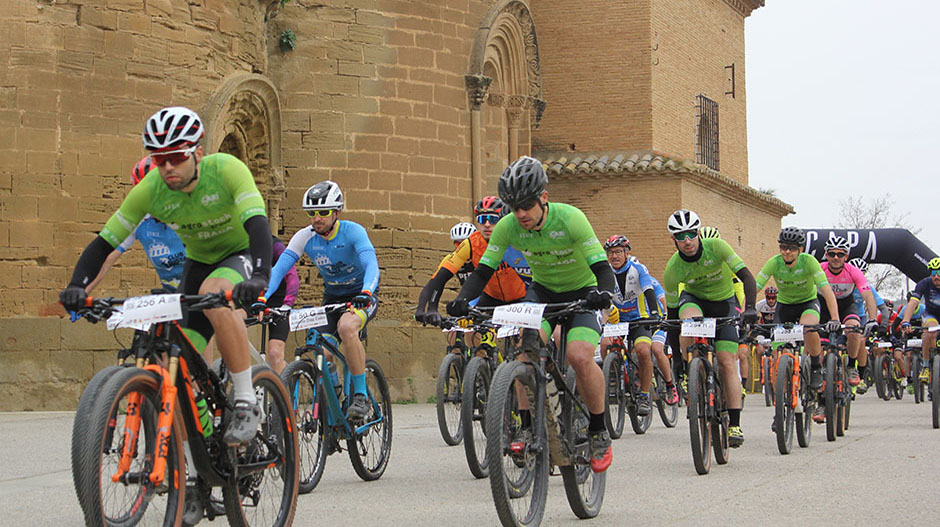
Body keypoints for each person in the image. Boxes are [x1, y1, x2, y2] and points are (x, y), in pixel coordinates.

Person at [59, 106, 272, 445]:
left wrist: (260, 276)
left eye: (175, 156)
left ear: (197, 153)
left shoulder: (227, 170)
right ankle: (192, 469)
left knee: (215, 293)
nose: (168, 167)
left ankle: (246, 401)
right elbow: (104, 245)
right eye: (160, 160)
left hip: (240, 252)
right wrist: (76, 287)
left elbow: (258, 223)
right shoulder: (150, 190)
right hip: (198, 261)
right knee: (173, 363)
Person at [446, 155, 616, 473]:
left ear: (544, 198)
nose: (521, 213)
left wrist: (603, 294)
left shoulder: (571, 219)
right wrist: (462, 300)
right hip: (542, 293)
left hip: (583, 293)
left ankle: (597, 429)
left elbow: (603, 268)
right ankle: (525, 426)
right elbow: (483, 273)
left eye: (527, 205)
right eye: (514, 207)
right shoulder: (508, 226)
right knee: (524, 354)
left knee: (579, 356)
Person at [264, 180, 379, 420]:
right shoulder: (305, 237)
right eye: (312, 213)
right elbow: (280, 268)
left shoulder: (352, 231)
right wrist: (262, 297)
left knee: (347, 327)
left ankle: (360, 396)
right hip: (332, 298)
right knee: (321, 353)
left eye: (323, 212)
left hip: (360, 294)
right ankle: (335, 390)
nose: (317, 218)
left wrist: (366, 292)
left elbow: (370, 263)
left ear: (336, 212)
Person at [662, 210, 759, 447]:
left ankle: (734, 423)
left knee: (727, 362)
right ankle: (692, 369)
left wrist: (751, 308)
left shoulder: (717, 247)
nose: (687, 240)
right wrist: (677, 361)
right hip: (694, 301)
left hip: (724, 304)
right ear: (673, 239)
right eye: (681, 235)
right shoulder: (672, 269)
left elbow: (747, 277)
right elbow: (673, 317)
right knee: (687, 323)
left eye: (691, 234)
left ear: (698, 233)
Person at [753, 226, 840, 424]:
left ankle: (816, 366)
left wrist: (834, 318)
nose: (787, 252)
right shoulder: (774, 263)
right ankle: (780, 409)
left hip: (808, 304)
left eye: (792, 248)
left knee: (808, 328)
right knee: (777, 358)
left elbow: (826, 290)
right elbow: (756, 286)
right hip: (784, 307)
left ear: (800, 249)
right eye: (783, 247)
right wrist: (746, 311)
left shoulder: (809, 262)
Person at [414, 197, 530, 330]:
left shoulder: (516, 240)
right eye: (482, 219)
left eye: (492, 219)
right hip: (491, 297)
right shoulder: (471, 243)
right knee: (468, 330)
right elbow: (440, 277)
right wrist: (432, 309)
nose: (487, 224)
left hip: (520, 296)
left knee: (523, 339)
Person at [84, 156, 187, 294]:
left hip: (206, 289)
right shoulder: (139, 220)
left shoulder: (191, 212)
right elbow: (107, 257)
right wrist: (82, 291)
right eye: (146, 196)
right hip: (171, 294)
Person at [600, 235, 676, 414]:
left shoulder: (638, 269)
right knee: (604, 344)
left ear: (627, 253)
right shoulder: (605, 272)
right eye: (610, 253)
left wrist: (656, 313)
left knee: (642, 350)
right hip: (618, 320)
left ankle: (643, 394)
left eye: (618, 252)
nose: (614, 256)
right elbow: (602, 297)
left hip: (640, 318)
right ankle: (616, 376)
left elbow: (649, 290)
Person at [818, 236, 878, 392]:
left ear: (846, 256)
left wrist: (872, 319)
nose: (836, 257)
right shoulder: (819, 269)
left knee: (853, 329)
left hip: (846, 305)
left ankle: (852, 366)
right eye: (832, 254)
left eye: (840, 254)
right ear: (826, 255)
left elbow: (868, 295)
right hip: (823, 307)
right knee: (818, 349)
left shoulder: (853, 271)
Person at [698, 226, 750, 395]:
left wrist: (743, 308)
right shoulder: (694, 263)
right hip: (704, 305)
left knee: (728, 354)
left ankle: (735, 380)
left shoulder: (725, 263)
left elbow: (740, 289)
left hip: (727, 305)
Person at [263, 235, 300, 374]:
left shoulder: (274, 245)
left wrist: (287, 304)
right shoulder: (233, 244)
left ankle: (284, 393)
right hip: (252, 299)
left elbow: (292, 275)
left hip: (279, 300)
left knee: (274, 353)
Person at [900, 257, 940, 385]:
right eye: (934, 273)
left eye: (939, 273)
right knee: (930, 332)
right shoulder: (924, 283)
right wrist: (906, 320)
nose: (937, 276)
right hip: (931, 314)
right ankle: (926, 367)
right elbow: (913, 303)